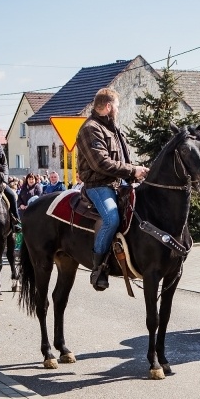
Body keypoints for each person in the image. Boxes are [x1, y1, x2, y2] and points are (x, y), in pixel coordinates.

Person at [76, 88, 149, 291]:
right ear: (108, 106)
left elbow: (124, 159)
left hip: (120, 183)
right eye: (117, 106)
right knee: (111, 219)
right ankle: (99, 268)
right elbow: (101, 163)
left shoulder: (113, 129)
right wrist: (132, 170)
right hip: (98, 185)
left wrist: (137, 172)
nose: (118, 109)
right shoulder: (90, 129)